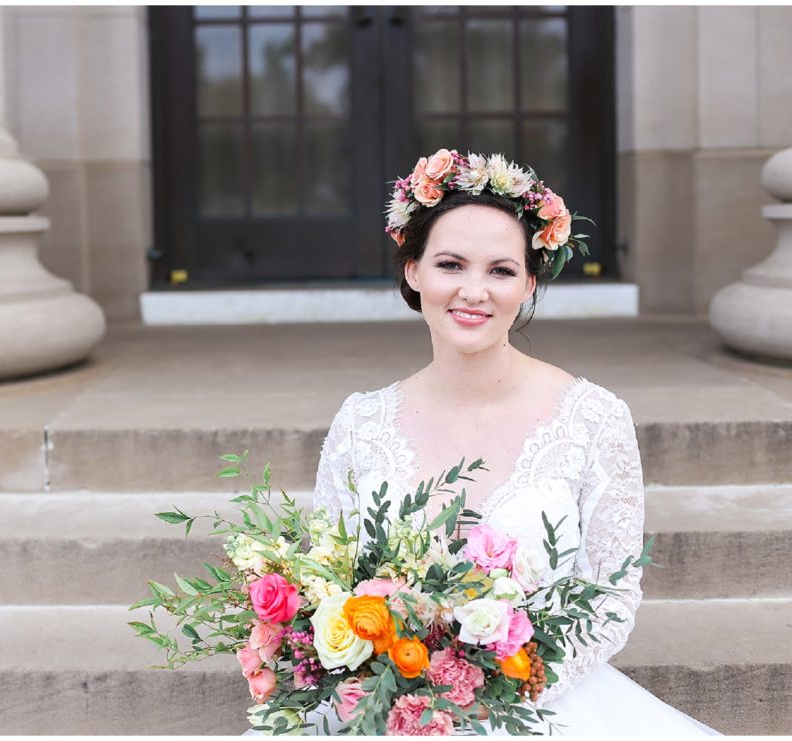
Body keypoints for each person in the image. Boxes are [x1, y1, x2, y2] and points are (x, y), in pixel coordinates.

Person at [304, 150, 717, 735]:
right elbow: (327, 578)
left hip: (536, 704)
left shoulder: (593, 418)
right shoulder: (359, 422)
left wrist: (493, 694)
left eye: (500, 270)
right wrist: (396, 687)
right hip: (385, 708)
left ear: (528, 283)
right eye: (451, 264)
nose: (474, 291)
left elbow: (610, 597)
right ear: (412, 270)